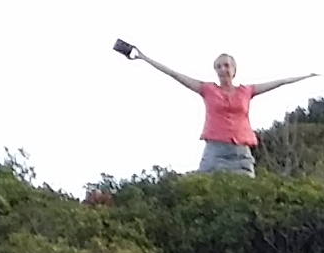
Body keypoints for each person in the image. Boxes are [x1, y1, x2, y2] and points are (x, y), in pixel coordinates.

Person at [117, 41, 313, 174]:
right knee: (203, 189)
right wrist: (143, 57)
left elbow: (280, 82)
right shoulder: (207, 89)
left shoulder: (247, 91)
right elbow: (174, 74)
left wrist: (309, 75)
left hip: (241, 153)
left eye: (226, 65)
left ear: (234, 70)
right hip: (215, 151)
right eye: (219, 66)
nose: (223, 69)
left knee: (246, 193)